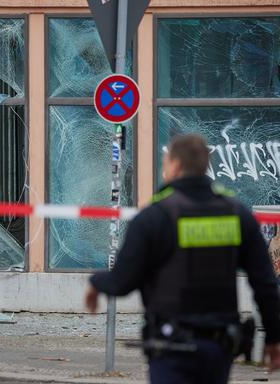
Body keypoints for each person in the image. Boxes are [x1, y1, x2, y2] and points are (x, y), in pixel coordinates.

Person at [85, 134, 280, 383]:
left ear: (175, 166)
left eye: (165, 164)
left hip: (171, 349)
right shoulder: (236, 214)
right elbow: (265, 283)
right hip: (219, 349)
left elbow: (123, 281)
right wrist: (274, 337)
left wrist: (96, 283)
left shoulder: (154, 217)